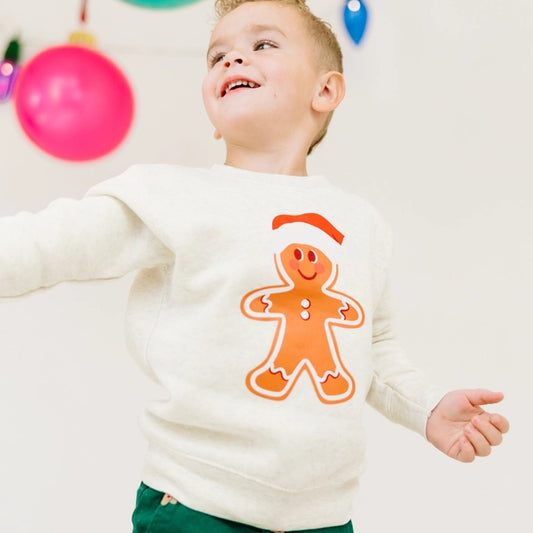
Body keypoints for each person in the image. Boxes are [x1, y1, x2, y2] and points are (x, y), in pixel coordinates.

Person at [0, 1, 509, 532]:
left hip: (324, 519)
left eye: (262, 45)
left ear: (326, 91)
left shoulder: (362, 225)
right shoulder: (171, 195)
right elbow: (45, 244)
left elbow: (370, 347)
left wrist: (426, 408)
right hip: (197, 506)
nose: (231, 60)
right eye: (217, 55)